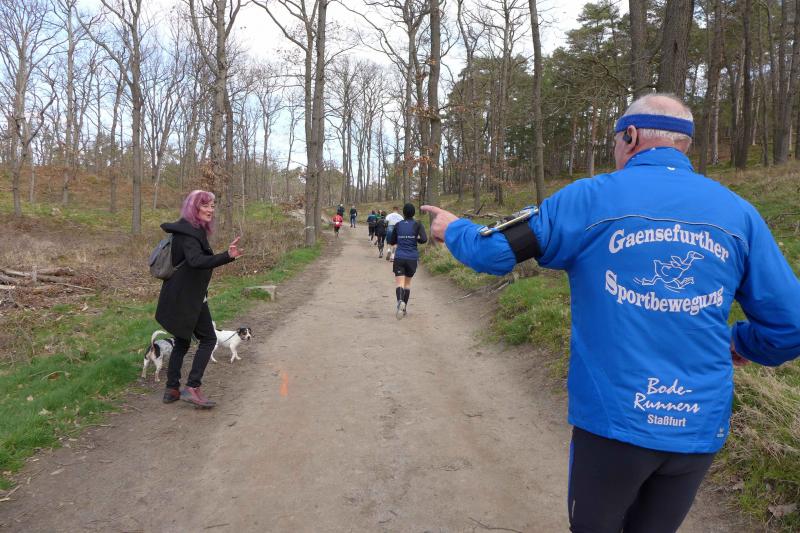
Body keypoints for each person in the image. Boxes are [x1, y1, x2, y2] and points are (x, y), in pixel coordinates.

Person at [422, 93, 800, 533]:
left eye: (616, 140)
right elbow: (790, 326)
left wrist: (455, 229)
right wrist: (739, 342)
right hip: (697, 427)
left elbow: (494, 252)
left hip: (614, 423)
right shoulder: (739, 214)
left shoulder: (588, 199)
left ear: (631, 136)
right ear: (684, 144)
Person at [155, 190, 243, 408]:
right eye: (205, 205)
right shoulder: (189, 233)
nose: (210, 210)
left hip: (179, 295)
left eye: (212, 205)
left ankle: (172, 389)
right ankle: (192, 387)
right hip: (189, 298)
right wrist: (227, 256)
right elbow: (196, 261)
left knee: (182, 341)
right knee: (209, 339)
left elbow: (192, 262)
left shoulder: (187, 230)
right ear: (193, 208)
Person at [387, 203, 427, 319]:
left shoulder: (398, 225)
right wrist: (416, 239)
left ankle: (400, 301)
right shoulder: (418, 224)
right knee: (407, 284)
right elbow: (424, 239)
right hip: (412, 258)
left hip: (399, 257)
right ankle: (404, 309)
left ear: (403, 213)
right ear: (413, 213)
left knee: (399, 283)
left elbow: (392, 241)